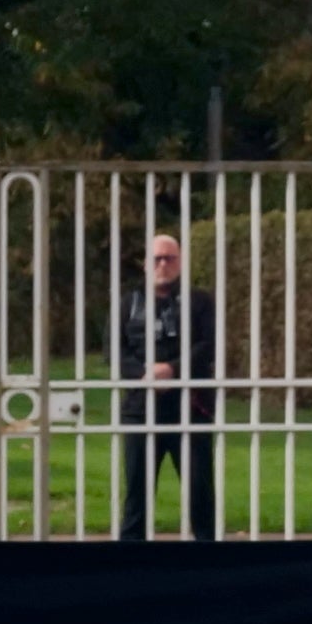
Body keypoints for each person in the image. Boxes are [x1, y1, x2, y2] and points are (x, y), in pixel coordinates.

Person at [115, 226, 222, 543]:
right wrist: (147, 375)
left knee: (200, 491)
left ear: (181, 262)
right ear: (146, 263)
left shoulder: (199, 301)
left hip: (191, 408)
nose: (164, 265)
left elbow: (208, 344)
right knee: (137, 493)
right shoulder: (128, 303)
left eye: (170, 259)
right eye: (157, 258)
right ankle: (127, 564)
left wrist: (172, 370)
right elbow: (115, 352)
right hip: (139, 409)